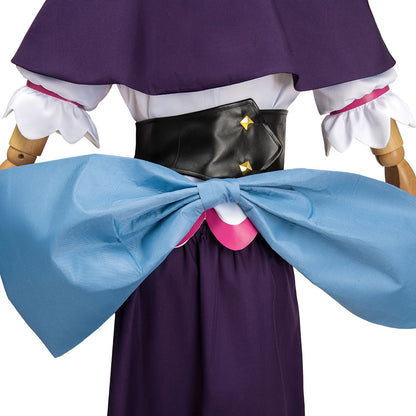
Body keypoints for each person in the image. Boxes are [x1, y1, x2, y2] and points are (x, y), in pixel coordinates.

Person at [1, 1, 416, 415]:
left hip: (249, 237)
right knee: (162, 385)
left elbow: (353, 80)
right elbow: (59, 82)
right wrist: (15, 166)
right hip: (163, 236)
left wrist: (396, 164)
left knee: (252, 387)